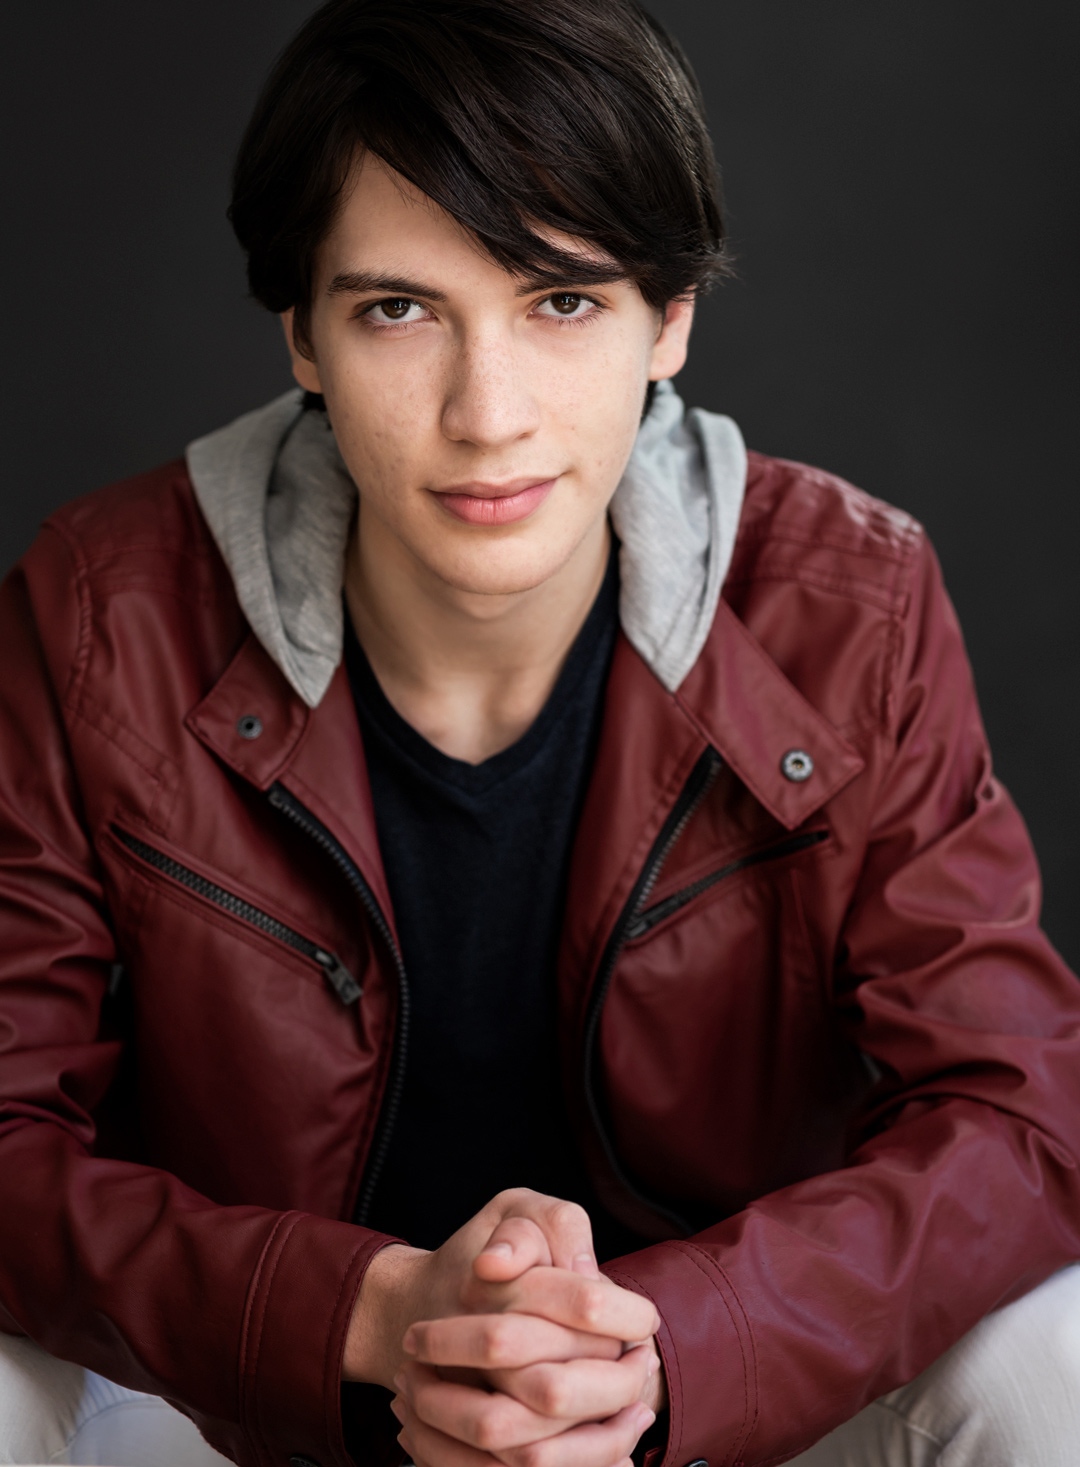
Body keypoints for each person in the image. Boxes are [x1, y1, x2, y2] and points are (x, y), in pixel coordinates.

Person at [1, 1, 1079, 1465]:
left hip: (695, 1406)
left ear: (672, 319)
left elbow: (1025, 1119)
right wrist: (375, 1316)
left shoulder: (850, 607)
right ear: (302, 335)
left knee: (1055, 1350)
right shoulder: (97, 609)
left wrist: (666, 1349)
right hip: (244, 1411)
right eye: (398, 310)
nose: (486, 412)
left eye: (560, 301)